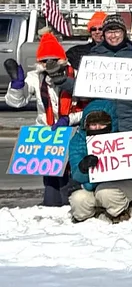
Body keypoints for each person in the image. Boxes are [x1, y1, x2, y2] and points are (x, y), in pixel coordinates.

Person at [5, 31, 78, 206]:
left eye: (53, 59)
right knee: (51, 179)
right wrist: (17, 86)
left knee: (72, 177)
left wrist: (69, 119)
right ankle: (52, 208)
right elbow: (16, 103)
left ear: (62, 59)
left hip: (72, 131)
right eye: (45, 61)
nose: (49, 64)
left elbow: (86, 107)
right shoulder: (35, 77)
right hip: (47, 134)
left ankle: (71, 206)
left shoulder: (74, 75)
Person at [68, 101, 132, 224]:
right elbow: (76, 174)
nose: (97, 128)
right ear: (86, 125)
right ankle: (87, 216)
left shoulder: (123, 136)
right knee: (79, 200)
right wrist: (83, 167)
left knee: (106, 193)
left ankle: (119, 212)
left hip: (121, 184)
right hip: (91, 184)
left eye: (102, 124)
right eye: (93, 124)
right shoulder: (78, 141)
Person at [80, 14, 132, 131]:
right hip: (103, 121)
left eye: (117, 31)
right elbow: (81, 88)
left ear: (124, 32)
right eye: (109, 32)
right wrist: (60, 79)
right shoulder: (93, 56)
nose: (113, 36)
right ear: (104, 34)